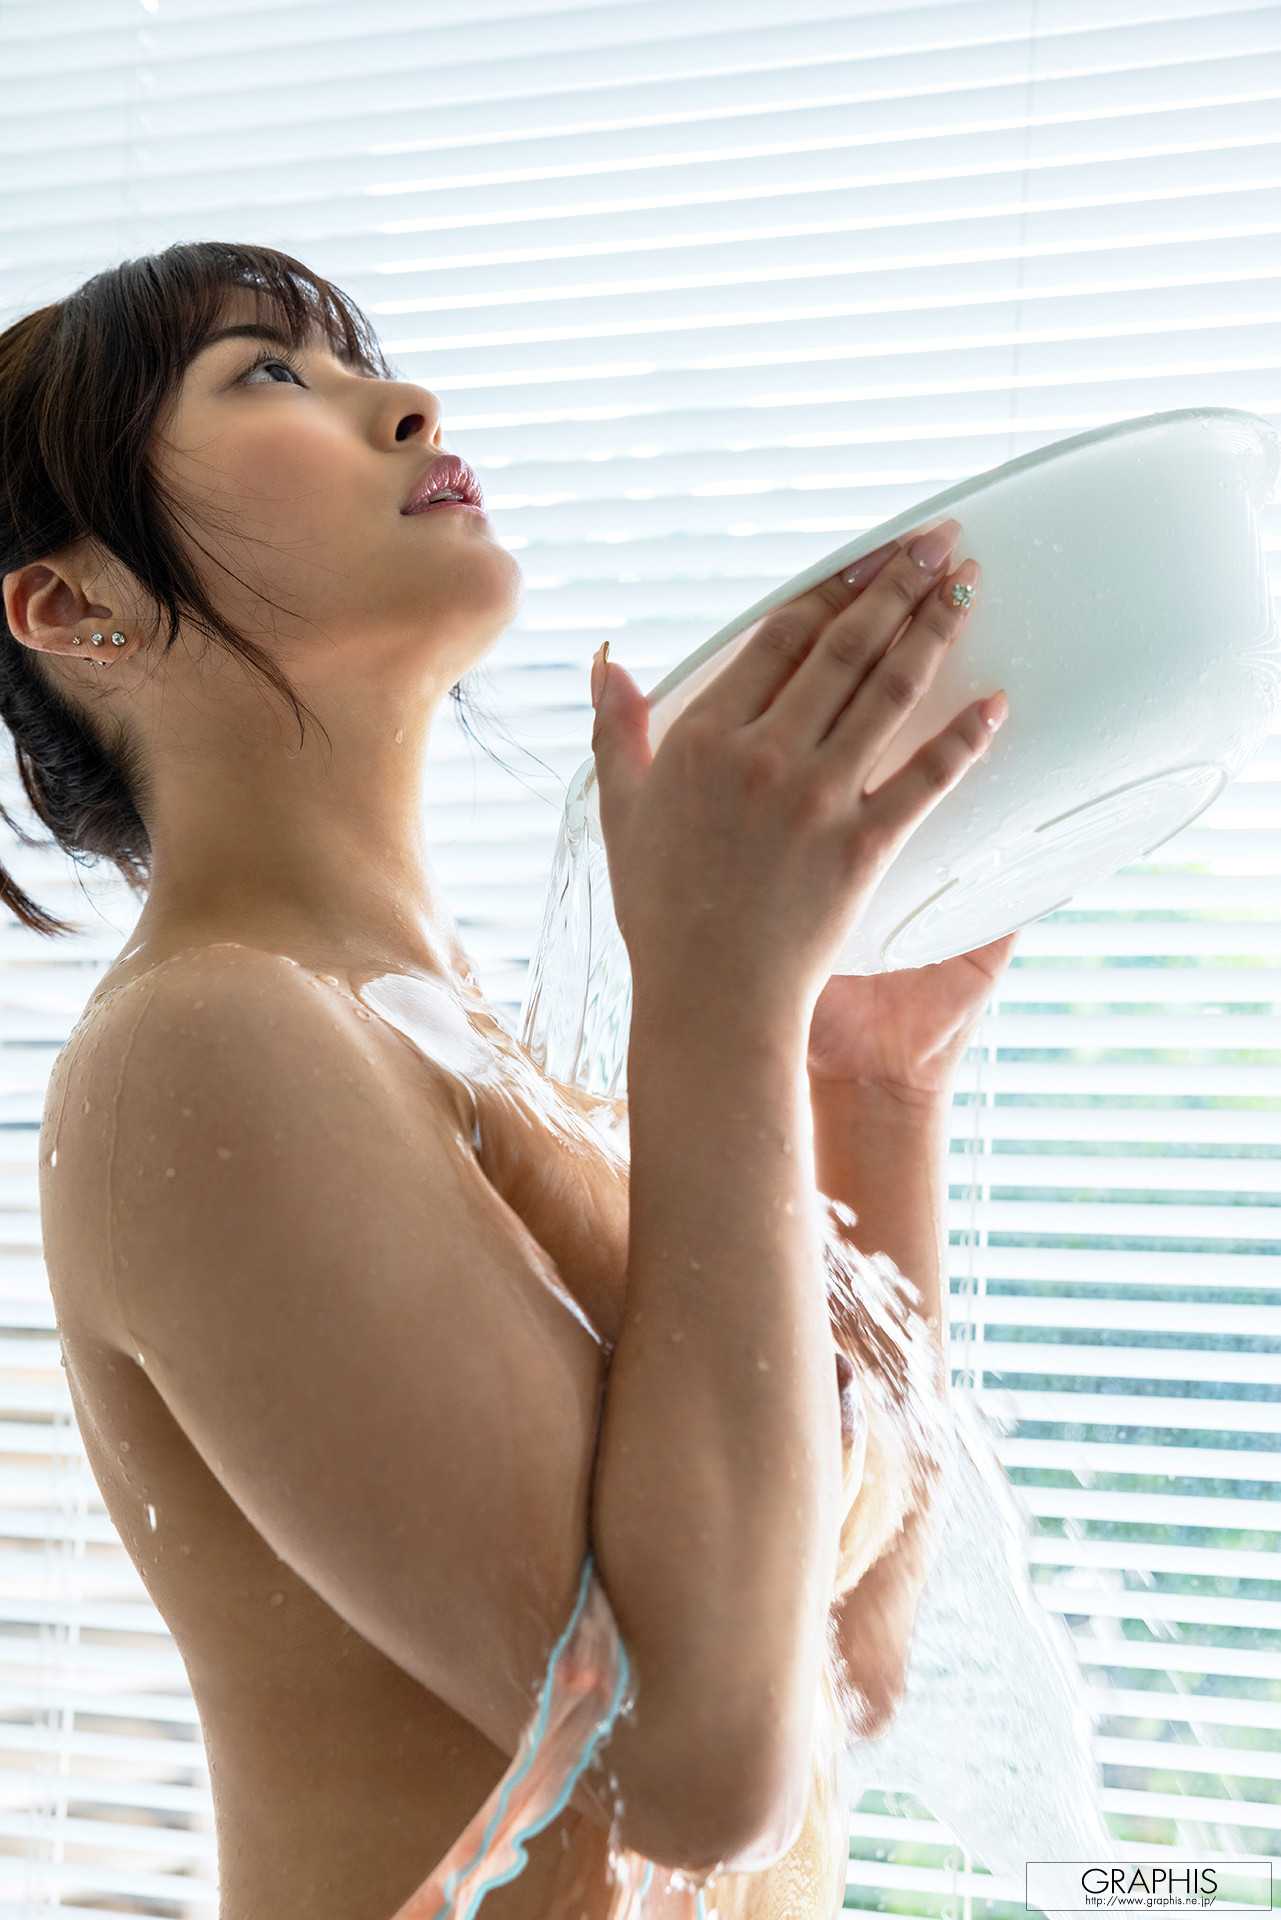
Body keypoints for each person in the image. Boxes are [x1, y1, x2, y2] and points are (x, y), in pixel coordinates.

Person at [5, 240, 994, 1918]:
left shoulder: (478, 1058)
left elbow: (840, 1672)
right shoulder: (205, 1046)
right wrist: (723, 1007)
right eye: (268, 373)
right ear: (71, 606)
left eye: (357, 360)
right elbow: (694, 1781)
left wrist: (866, 1083)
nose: (407, 404)